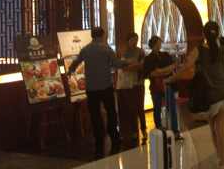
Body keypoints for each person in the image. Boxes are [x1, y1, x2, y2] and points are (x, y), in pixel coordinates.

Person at [167, 21, 224, 169]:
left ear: (204, 34)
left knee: (214, 129)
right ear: (218, 33)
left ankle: (221, 159)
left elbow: (186, 67)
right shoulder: (223, 49)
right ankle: (223, 162)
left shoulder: (199, 50)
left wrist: (172, 78)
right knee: (220, 128)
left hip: (211, 95)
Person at [68, 27, 130, 159]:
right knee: (111, 112)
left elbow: (76, 63)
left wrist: (70, 70)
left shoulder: (85, 49)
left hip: (91, 89)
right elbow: (116, 64)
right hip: (106, 87)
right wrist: (126, 62)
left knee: (95, 115)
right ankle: (114, 137)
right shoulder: (107, 49)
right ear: (102, 35)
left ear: (92, 36)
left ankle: (99, 141)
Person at [143, 36, 182, 140]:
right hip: (156, 87)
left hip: (168, 85)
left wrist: (161, 71)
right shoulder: (148, 58)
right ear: (154, 44)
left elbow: (171, 68)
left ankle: (175, 130)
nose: (160, 44)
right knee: (157, 108)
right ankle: (160, 130)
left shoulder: (165, 55)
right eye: (159, 43)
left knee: (172, 108)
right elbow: (152, 73)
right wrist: (166, 70)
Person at [116, 32, 147, 145]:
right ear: (128, 41)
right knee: (128, 109)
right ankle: (130, 132)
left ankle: (142, 130)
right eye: (133, 40)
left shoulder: (140, 51)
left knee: (139, 108)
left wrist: (131, 65)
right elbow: (123, 68)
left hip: (138, 83)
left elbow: (143, 65)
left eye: (136, 40)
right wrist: (135, 65)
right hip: (125, 85)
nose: (135, 42)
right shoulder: (122, 51)